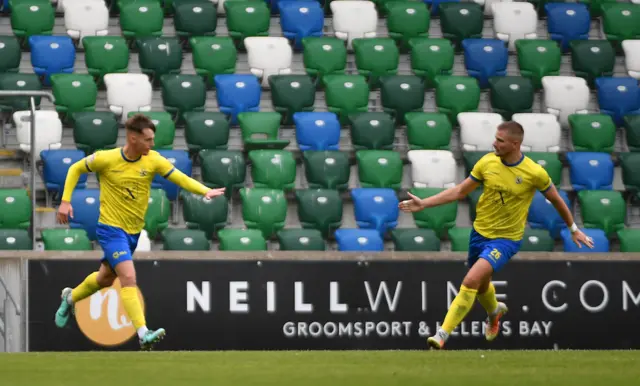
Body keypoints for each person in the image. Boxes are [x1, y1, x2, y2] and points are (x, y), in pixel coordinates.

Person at [399, 121, 594, 350]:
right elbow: (461, 191)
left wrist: (573, 229)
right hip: (479, 234)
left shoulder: (534, 172)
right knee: (481, 286)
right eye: (495, 138)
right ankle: (494, 312)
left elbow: (556, 200)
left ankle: (442, 334)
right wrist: (425, 203)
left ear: (515, 143)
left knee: (471, 280)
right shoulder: (487, 162)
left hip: (506, 240)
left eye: (500, 141)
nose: (494, 143)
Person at [53, 114, 225, 350]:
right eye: (148, 140)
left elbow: (179, 178)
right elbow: (75, 169)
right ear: (133, 138)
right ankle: (143, 333)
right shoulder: (106, 158)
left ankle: (70, 297)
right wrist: (65, 201)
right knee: (129, 278)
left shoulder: (152, 160)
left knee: (104, 279)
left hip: (132, 232)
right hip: (111, 229)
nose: (152, 144)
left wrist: (204, 190)